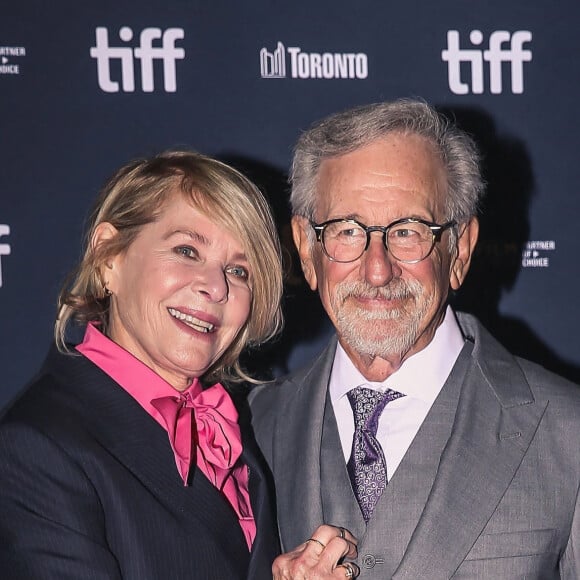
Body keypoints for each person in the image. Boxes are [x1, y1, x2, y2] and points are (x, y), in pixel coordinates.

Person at [249, 99, 580, 579]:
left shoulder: (568, 432)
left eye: (407, 231)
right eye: (346, 230)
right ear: (306, 249)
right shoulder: (252, 427)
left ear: (459, 250)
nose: (377, 269)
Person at [0, 150, 294, 579]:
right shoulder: (36, 449)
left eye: (238, 271)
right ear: (109, 258)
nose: (215, 287)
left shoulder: (242, 430)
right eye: (187, 250)